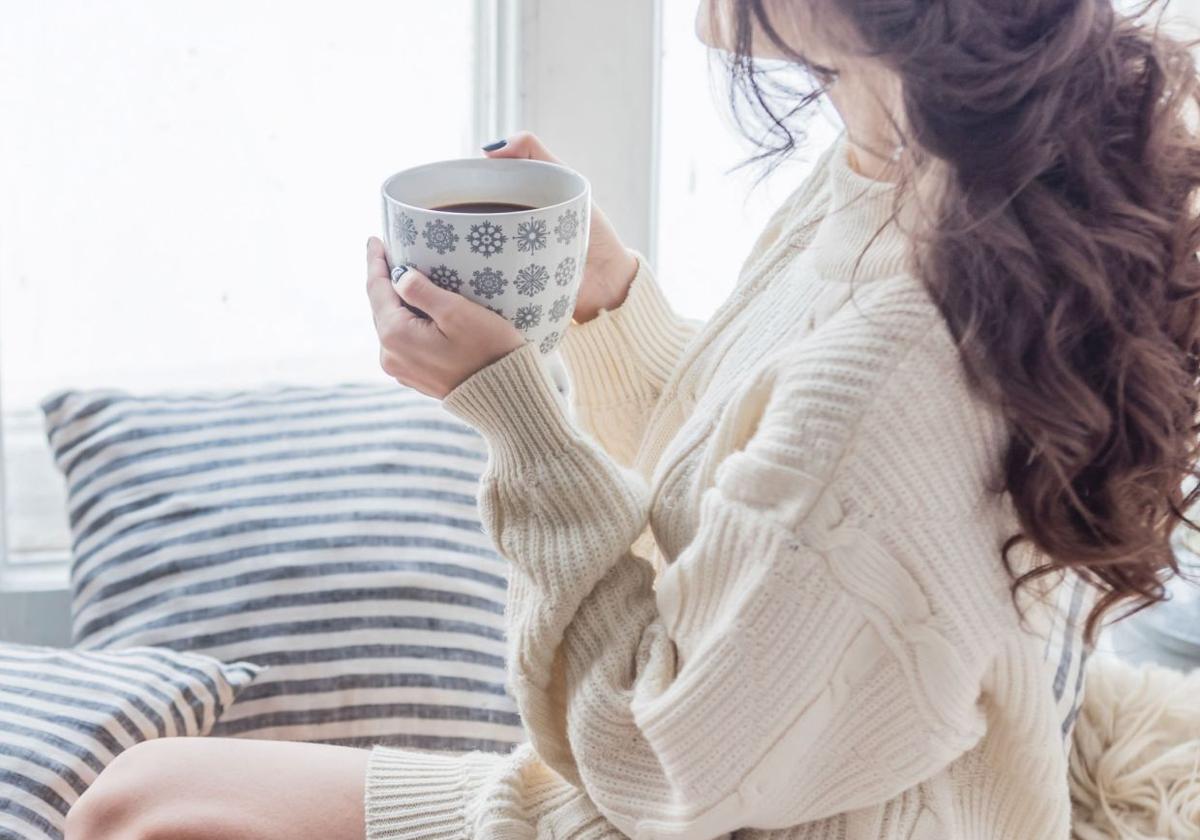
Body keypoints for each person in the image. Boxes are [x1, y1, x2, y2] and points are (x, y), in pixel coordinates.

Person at [65, 1, 1200, 838]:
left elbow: (652, 759)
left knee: (139, 814)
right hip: (777, 770)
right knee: (139, 787)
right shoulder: (911, 163)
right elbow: (759, 503)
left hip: (746, 804)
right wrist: (605, 306)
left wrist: (517, 418)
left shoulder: (893, 359)